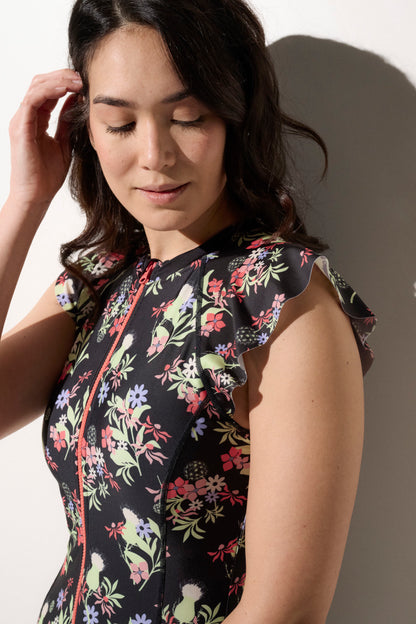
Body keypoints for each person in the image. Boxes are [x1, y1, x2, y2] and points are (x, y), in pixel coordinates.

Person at [0, 1, 375, 623]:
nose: (155, 154)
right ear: (87, 128)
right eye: (120, 123)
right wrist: (25, 199)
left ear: (235, 114)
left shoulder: (280, 301)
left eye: (187, 117)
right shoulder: (103, 276)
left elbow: (284, 614)